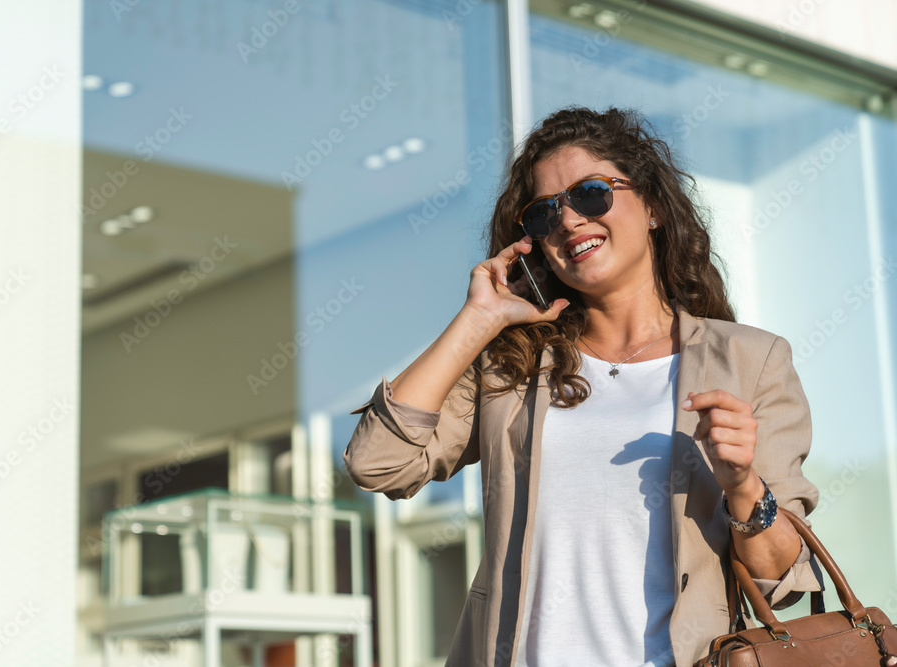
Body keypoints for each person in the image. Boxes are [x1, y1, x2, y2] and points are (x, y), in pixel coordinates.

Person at [343, 106, 823, 667]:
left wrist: (743, 484)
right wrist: (476, 320)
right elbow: (377, 463)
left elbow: (782, 583)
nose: (568, 220)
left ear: (654, 208)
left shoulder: (750, 359)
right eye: (544, 213)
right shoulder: (512, 366)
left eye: (591, 194)